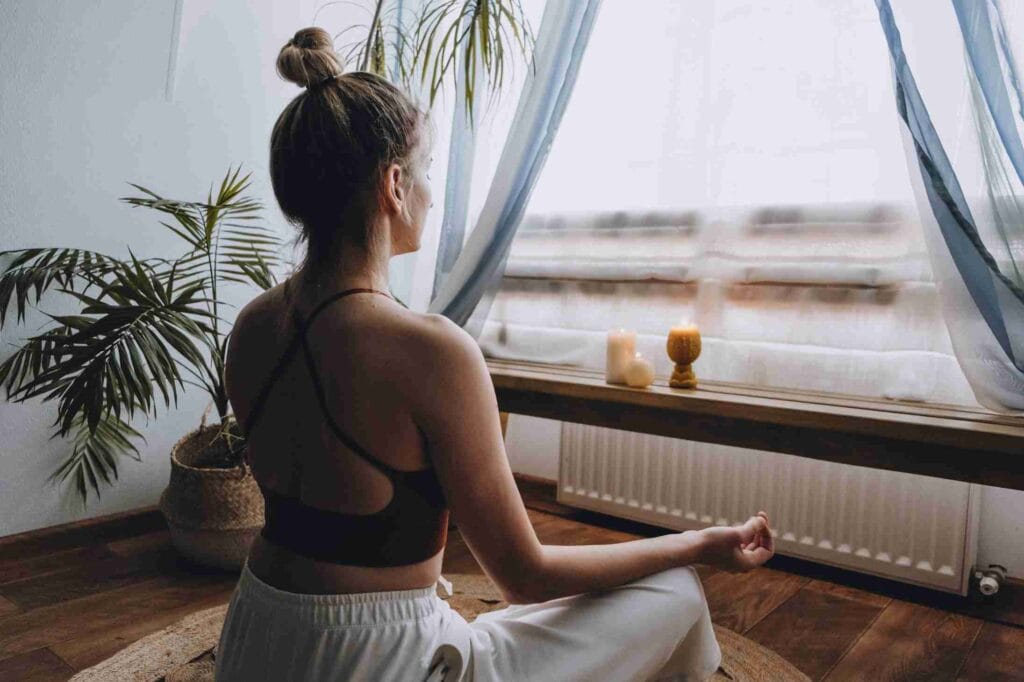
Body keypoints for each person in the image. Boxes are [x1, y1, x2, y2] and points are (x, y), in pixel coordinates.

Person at [214, 26, 775, 682]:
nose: (430, 191)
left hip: (256, 641)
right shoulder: (430, 352)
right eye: (423, 173)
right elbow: (525, 575)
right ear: (393, 186)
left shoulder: (251, 329)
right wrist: (700, 544)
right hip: (375, 664)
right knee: (674, 590)